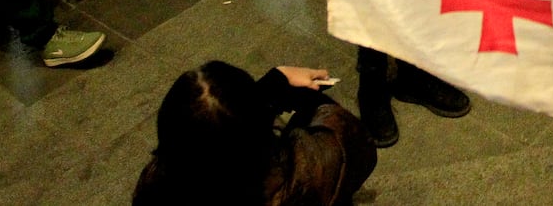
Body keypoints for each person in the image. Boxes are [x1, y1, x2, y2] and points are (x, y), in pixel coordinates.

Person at [134, 60, 377, 204]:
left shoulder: (155, 184)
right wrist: (306, 97)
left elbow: (217, 136)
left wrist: (272, 85)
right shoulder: (305, 174)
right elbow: (349, 139)